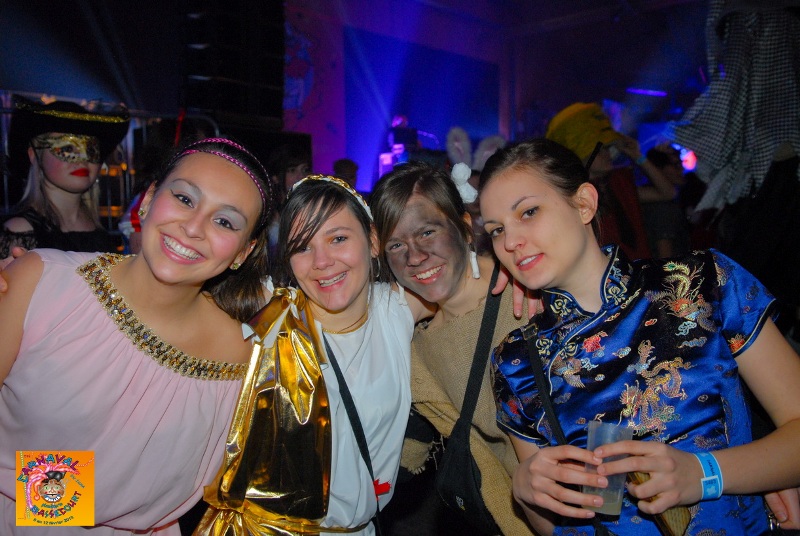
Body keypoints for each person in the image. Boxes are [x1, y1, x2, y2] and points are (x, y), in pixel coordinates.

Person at [476, 138, 800, 535]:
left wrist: (705, 473)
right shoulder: (516, 360)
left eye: (528, 212)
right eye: (496, 230)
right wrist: (527, 493)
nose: (510, 242)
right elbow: (557, 527)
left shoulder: (699, 282)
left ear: (584, 203)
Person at [0, 137, 274, 535]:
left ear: (242, 253)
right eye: (184, 198)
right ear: (147, 201)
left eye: (224, 221)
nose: (193, 227)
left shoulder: (243, 358)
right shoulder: (43, 283)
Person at [196, 175, 433, 535]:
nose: (322, 261)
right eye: (302, 247)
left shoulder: (396, 309)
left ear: (372, 240)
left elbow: (467, 282)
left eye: (338, 239)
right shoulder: (268, 315)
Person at [370, 161, 536, 535]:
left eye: (427, 232)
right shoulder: (416, 342)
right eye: (396, 245)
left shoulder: (529, 295)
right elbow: (404, 454)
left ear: (463, 226)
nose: (414, 257)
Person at [1, 95, 131, 261]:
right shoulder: (20, 232)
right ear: (34, 156)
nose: (82, 160)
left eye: (90, 150)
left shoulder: (98, 231)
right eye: (67, 149)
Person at [545, 102, 677, 261]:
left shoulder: (618, 182)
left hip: (638, 271)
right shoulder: (570, 196)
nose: (608, 154)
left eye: (608, 148)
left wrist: (638, 156)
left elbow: (668, 193)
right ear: (582, 155)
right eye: (600, 150)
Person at [640, 144, 691, 258]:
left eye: (681, 163)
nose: (682, 169)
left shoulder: (672, 200)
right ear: (658, 169)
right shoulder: (662, 206)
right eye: (676, 165)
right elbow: (665, 255)